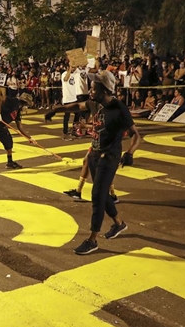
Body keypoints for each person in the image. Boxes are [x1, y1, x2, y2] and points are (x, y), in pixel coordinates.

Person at [49, 70, 141, 255]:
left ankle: (92, 239)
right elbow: (75, 106)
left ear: (105, 90)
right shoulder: (94, 104)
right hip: (94, 155)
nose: (90, 91)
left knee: (97, 195)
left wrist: (130, 153)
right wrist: (56, 109)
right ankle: (119, 224)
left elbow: (136, 135)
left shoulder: (119, 109)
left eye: (94, 88)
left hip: (110, 157)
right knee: (102, 194)